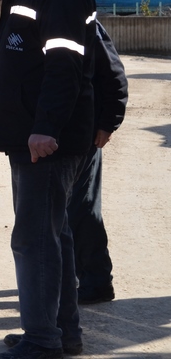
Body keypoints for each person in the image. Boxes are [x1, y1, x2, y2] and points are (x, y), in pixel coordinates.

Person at [0, 0, 97, 359]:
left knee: (34, 240)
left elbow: (64, 67)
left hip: (46, 140)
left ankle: (42, 340)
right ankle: (60, 332)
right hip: (29, 134)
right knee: (54, 235)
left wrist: (45, 128)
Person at [69, 20, 127, 305]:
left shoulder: (79, 15)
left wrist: (108, 122)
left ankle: (96, 281)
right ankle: (69, 277)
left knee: (82, 209)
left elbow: (114, 74)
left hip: (83, 132)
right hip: (44, 134)